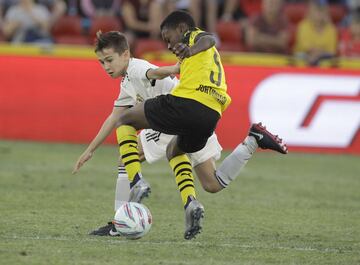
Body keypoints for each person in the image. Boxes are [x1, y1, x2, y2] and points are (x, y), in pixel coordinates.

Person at [73, 12, 287, 239]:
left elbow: (153, 73)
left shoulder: (135, 67)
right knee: (212, 182)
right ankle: (249, 144)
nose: (106, 66)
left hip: (176, 109)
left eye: (109, 60)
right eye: (101, 62)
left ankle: (122, 218)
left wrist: (174, 68)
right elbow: (112, 117)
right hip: (202, 113)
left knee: (127, 155)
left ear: (125, 54)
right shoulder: (127, 83)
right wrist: (90, 150)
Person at [293, 0, 338, 65]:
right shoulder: (303, 26)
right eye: (316, 11)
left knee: (327, 60)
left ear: (326, 14)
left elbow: (331, 50)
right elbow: (304, 46)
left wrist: (318, 54)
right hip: (305, 55)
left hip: (324, 56)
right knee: (303, 57)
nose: (318, 15)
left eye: (321, 12)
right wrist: (316, 53)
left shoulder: (331, 29)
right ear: (310, 13)